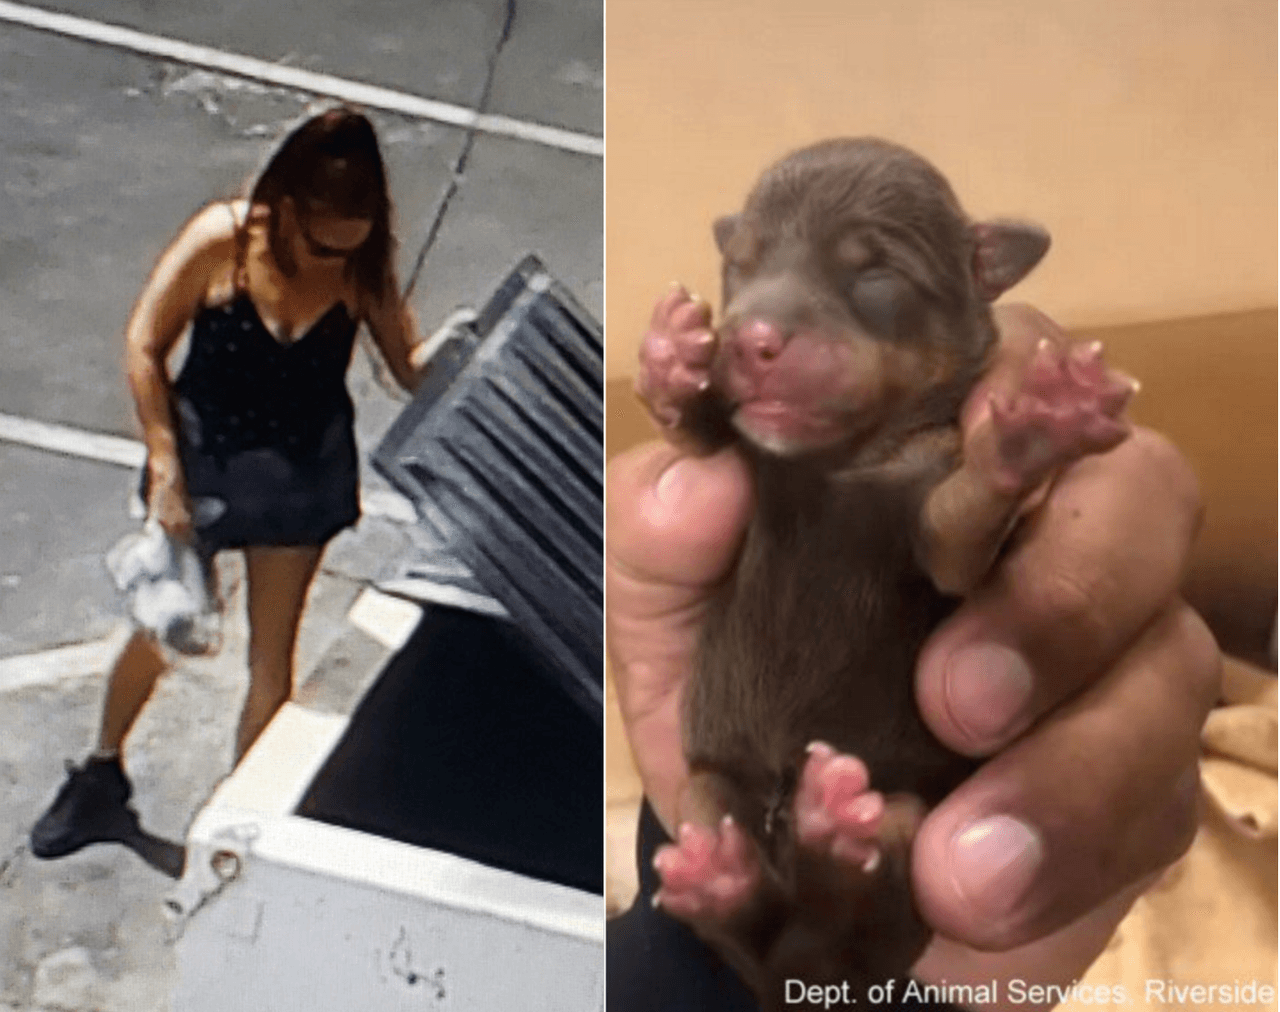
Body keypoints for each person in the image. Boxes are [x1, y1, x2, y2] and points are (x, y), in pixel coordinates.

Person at [606, 298, 1220, 1008]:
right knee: (736, 829)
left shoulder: (927, 455)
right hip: (743, 794)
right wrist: (678, 387)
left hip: (870, 821)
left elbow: (952, 548)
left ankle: (800, 878)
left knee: (873, 839)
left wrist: (1005, 470)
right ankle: (755, 893)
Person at [30, 107, 429, 860]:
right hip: (208, 458)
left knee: (270, 658)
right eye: (314, 244)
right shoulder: (223, 240)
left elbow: (409, 366)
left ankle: (237, 836)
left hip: (301, 472)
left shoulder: (362, 268)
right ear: (284, 206)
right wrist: (165, 472)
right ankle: (102, 773)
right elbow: (146, 345)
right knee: (159, 625)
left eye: (343, 248)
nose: (324, 264)